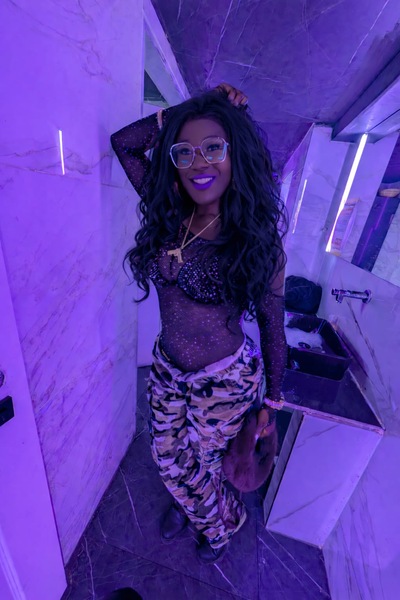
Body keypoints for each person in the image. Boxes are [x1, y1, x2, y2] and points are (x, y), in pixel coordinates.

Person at [110, 83, 287, 565]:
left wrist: (272, 402)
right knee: (168, 457)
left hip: (225, 381)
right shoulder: (169, 214)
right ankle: (197, 504)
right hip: (167, 369)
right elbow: (124, 144)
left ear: (236, 154)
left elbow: (272, 326)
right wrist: (190, 108)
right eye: (184, 152)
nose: (198, 163)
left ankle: (219, 526)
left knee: (207, 463)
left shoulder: (256, 241)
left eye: (213, 148)